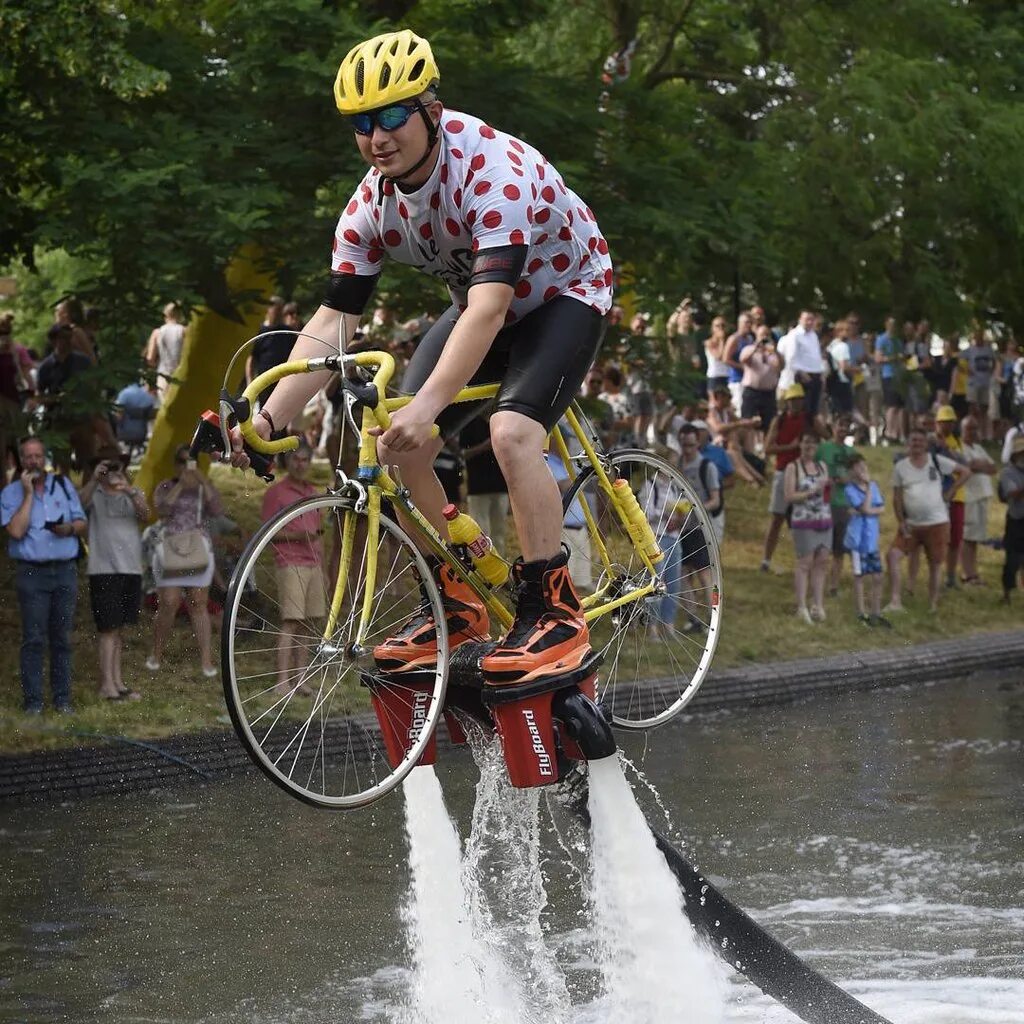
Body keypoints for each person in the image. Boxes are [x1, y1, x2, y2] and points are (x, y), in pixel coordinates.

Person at [229, 29, 613, 687]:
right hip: (482, 305)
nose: (376, 137)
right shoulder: (368, 209)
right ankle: (459, 598)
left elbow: (490, 312)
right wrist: (269, 419)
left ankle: (555, 609)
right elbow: (335, 320)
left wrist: (433, 405)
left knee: (512, 434)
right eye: (360, 124)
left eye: (390, 117)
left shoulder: (493, 175)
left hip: (564, 294)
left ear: (431, 110)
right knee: (399, 436)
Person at [0, 437, 87, 714]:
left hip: (64, 571)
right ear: (21, 461)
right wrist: (27, 495)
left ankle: (62, 700)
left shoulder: (62, 485)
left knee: (61, 638)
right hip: (32, 574)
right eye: (28, 457)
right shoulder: (11, 494)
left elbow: (82, 521)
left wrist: (69, 529)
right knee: (34, 638)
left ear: (45, 458)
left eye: (38, 456)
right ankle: (34, 703)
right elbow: (15, 531)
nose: (34, 461)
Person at [147, 444, 224, 677]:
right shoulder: (165, 486)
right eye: (181, 461)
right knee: (168, 603)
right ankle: (156, 653)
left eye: (190, 461)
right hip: (171, 548)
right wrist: (180, 484)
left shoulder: (204, 488)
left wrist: (201, 479)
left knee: (198, 604)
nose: (185, 466)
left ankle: (206, 659)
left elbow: (218, 509)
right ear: (175, 464)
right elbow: (161, 511)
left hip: (198, 549)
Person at [80, 447, 149, 701]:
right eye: (108, 467)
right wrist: (94, 479)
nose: (113, 472)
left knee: (119, 629)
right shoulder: (94, 493)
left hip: (130, 568)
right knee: (108, 629)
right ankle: (106, 686)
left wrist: (129, 490)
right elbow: (78, 505)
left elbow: (145, 514)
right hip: (104, 569)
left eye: (117, 467)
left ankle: (117, 683)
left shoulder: (132, 493)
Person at [260, 441, 323, 697]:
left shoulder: (313, 493)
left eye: (305, 460)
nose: (301, 464)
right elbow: (266, 534)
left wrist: (326, 571)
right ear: (289, 462)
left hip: (313, 564)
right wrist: (298, 537)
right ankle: (282, 680)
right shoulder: (277, 493)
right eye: (296, 459)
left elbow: (320, 536)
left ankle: (301, 677)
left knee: (307, 624)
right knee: (291, 622)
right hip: (290, 562)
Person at [886, 427, 971, 614]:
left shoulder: (937, 461)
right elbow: (897, 498)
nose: (916, 444)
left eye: (920, 441)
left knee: (935, 564)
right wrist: (901, 520)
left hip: (937, 523)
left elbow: (965, 471)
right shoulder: (900, 467)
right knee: (893, 556)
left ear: (926, 444)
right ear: (908, 444)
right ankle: (895, 601)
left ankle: (932, 605)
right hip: (912, 524)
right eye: (913, 440)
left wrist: (952, 490)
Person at [760, 383, 811, 573]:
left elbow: (823, 437)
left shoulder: (809, 419)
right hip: (783, 471)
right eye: (792, 400)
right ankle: (766, 560)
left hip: (802, 472)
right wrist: (791, 447)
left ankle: (804, 560)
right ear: (787, 402)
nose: (796, 404)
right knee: (777, 518)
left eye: (798, 400)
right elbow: (768, 448)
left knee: (802, 520)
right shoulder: (779, 421)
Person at [784, 431, 832, 623]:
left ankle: (818, 604)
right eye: (806, 442)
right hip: (803, 521)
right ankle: (801, 605)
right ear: (801, 444)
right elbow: (789, 496)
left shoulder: (822, 467)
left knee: (821, 562)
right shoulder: (793, 467)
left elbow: (826, 492)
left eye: (813, 443)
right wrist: (811, 492)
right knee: (805, 562)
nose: (809, 446)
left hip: (824, 519)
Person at [843, 454, 889, 627]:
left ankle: (876, 612)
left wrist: (869, 509)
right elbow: (864, 508)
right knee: (860, 576)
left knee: (877, 576)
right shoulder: (850, 489)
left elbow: (880, 507)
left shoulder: (874, 486)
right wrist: (868, 489)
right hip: (858, 540)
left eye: (864, 465)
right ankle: (861, 613)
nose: (862, 469)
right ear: (852, 470)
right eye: (858, 466)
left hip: (872, 540)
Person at [815, 418, 853, 596]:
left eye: (846, 427)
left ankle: (834, 586)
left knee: (839, 549)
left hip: (844, 503)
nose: (843, 429)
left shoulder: (851, 452)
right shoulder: (823, 449)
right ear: (833, 427)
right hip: (825, 502)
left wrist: (849, 479)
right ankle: (817, 583)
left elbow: (859, 475)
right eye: (840, 425)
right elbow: (812, 469)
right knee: (821, 547)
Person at [932, 404, 968, 589]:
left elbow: (965, 464)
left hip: (957, 496)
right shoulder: (930, 442)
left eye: (950, 422)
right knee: (937, 539)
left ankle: (951, 577)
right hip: (935, 496)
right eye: (943, 422)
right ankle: (936, 576)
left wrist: (948, 449)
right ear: (937, 423)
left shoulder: (957, 442)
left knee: (955, 538)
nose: (947, 426)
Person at [958, 415, 996, 585]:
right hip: (969, 496)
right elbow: (967, 466)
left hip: (981, 496)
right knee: (967, 537)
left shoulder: (979, 448)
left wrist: (978, 465)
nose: (973, 432)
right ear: (962, 430)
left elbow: (993, 468)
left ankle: (973, 573)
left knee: (975, 538)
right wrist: (978, 465)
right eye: (969, 429)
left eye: (975, 428)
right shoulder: (959, 448)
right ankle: (967, 574)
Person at [739, 323, 783, 434]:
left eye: (767, 335)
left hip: (768, 393)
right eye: (762, 334)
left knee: (770, 424)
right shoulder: (749, 349)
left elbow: (781, 366)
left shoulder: (773, 353)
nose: (764, 337)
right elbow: (744, 359)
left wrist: (775, 351)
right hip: (752, 391)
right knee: (749, 422)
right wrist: (756, 347)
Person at [778, 311, 823, 415]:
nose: (810, 322)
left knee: (813, 410)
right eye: (807, 319)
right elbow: (790, 357)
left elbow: (816, 355)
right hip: (803, 375)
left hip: (815, 374)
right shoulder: (794, 335)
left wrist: (821, 373)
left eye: (812, 319)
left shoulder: (813, 335)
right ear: (800, 320)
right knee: (803, 409)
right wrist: (800, 372)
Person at [997, 436, 1024, 603]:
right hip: (1016, 520)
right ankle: (1006, 594)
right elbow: (1012, 494)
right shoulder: (1008, 472)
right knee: (1012, 560)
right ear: (1015, 455)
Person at [145, 302, 186, 402]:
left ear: (165, 315)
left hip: (164, 375)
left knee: (166, 408)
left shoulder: (157, 332)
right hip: (182, 375)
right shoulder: (185, 331)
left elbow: (150, 358)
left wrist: (156, 363)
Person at [704, 315, 731, 395]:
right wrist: (721, 340)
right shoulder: (709, 342)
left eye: (723, 325)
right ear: (712, 328)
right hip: (715, 376)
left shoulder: (729, 342)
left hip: (727, 375)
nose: (720, 328)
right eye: (717, 326)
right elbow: (719, 356)